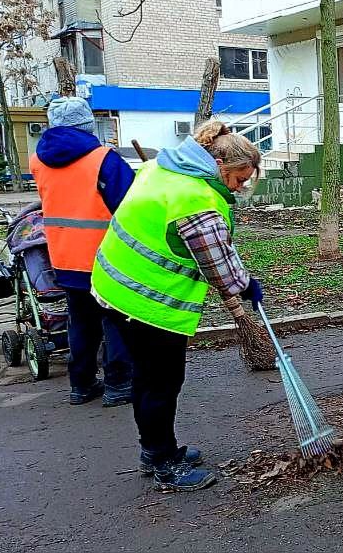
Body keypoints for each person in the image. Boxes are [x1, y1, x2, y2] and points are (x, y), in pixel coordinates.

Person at [92, 120, 263, 493]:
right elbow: (223, 272)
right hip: (146, 302)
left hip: (114, 284)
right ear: (219, 165)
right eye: (237, 178)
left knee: (148, 378)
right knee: (161, 382)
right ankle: (163, 463)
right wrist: (248, 285)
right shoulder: (195, 199)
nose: (240, 186)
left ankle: (156, 450)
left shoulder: (164, 165)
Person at [30, 97, 134, 407]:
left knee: (81, 322)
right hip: (105, 257)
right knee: (115, 320)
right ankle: (118, 384)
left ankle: (82, 383)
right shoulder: (105, 160)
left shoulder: (37, 160)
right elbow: (129, 206)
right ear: (87, 125)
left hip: (63, 256)